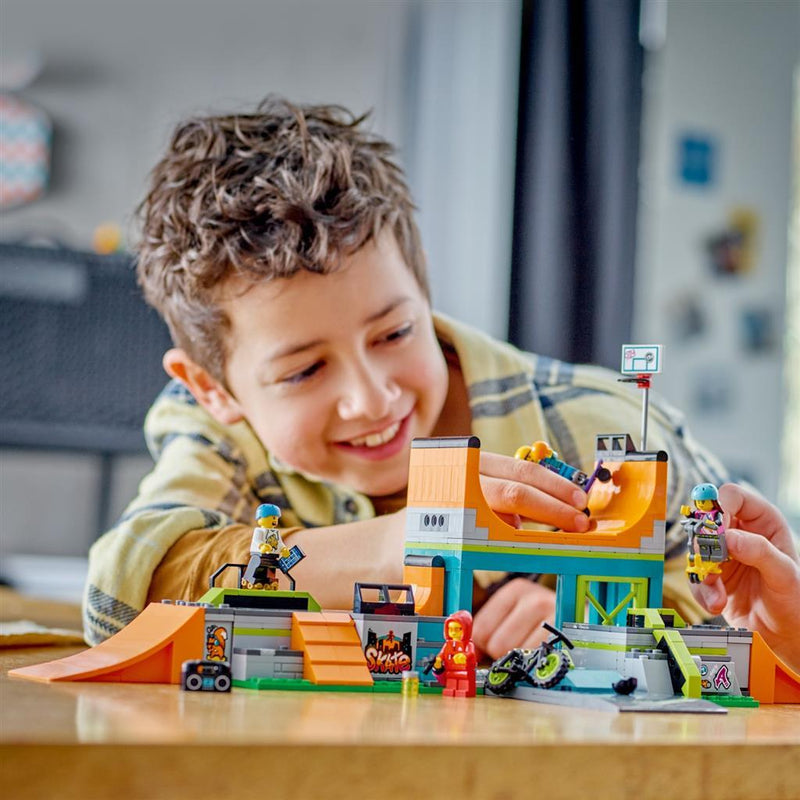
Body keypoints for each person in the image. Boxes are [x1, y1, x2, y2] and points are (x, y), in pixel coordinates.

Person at [83, 97, 800, 675]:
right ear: (214, 389)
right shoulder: (220, 431)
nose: (372, 398)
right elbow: (122, 592)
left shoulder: (607, 430)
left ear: (421, 283)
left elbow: (741, 621)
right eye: (304, 370)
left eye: (393, 334)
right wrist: (401, 540)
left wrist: (600, 632)